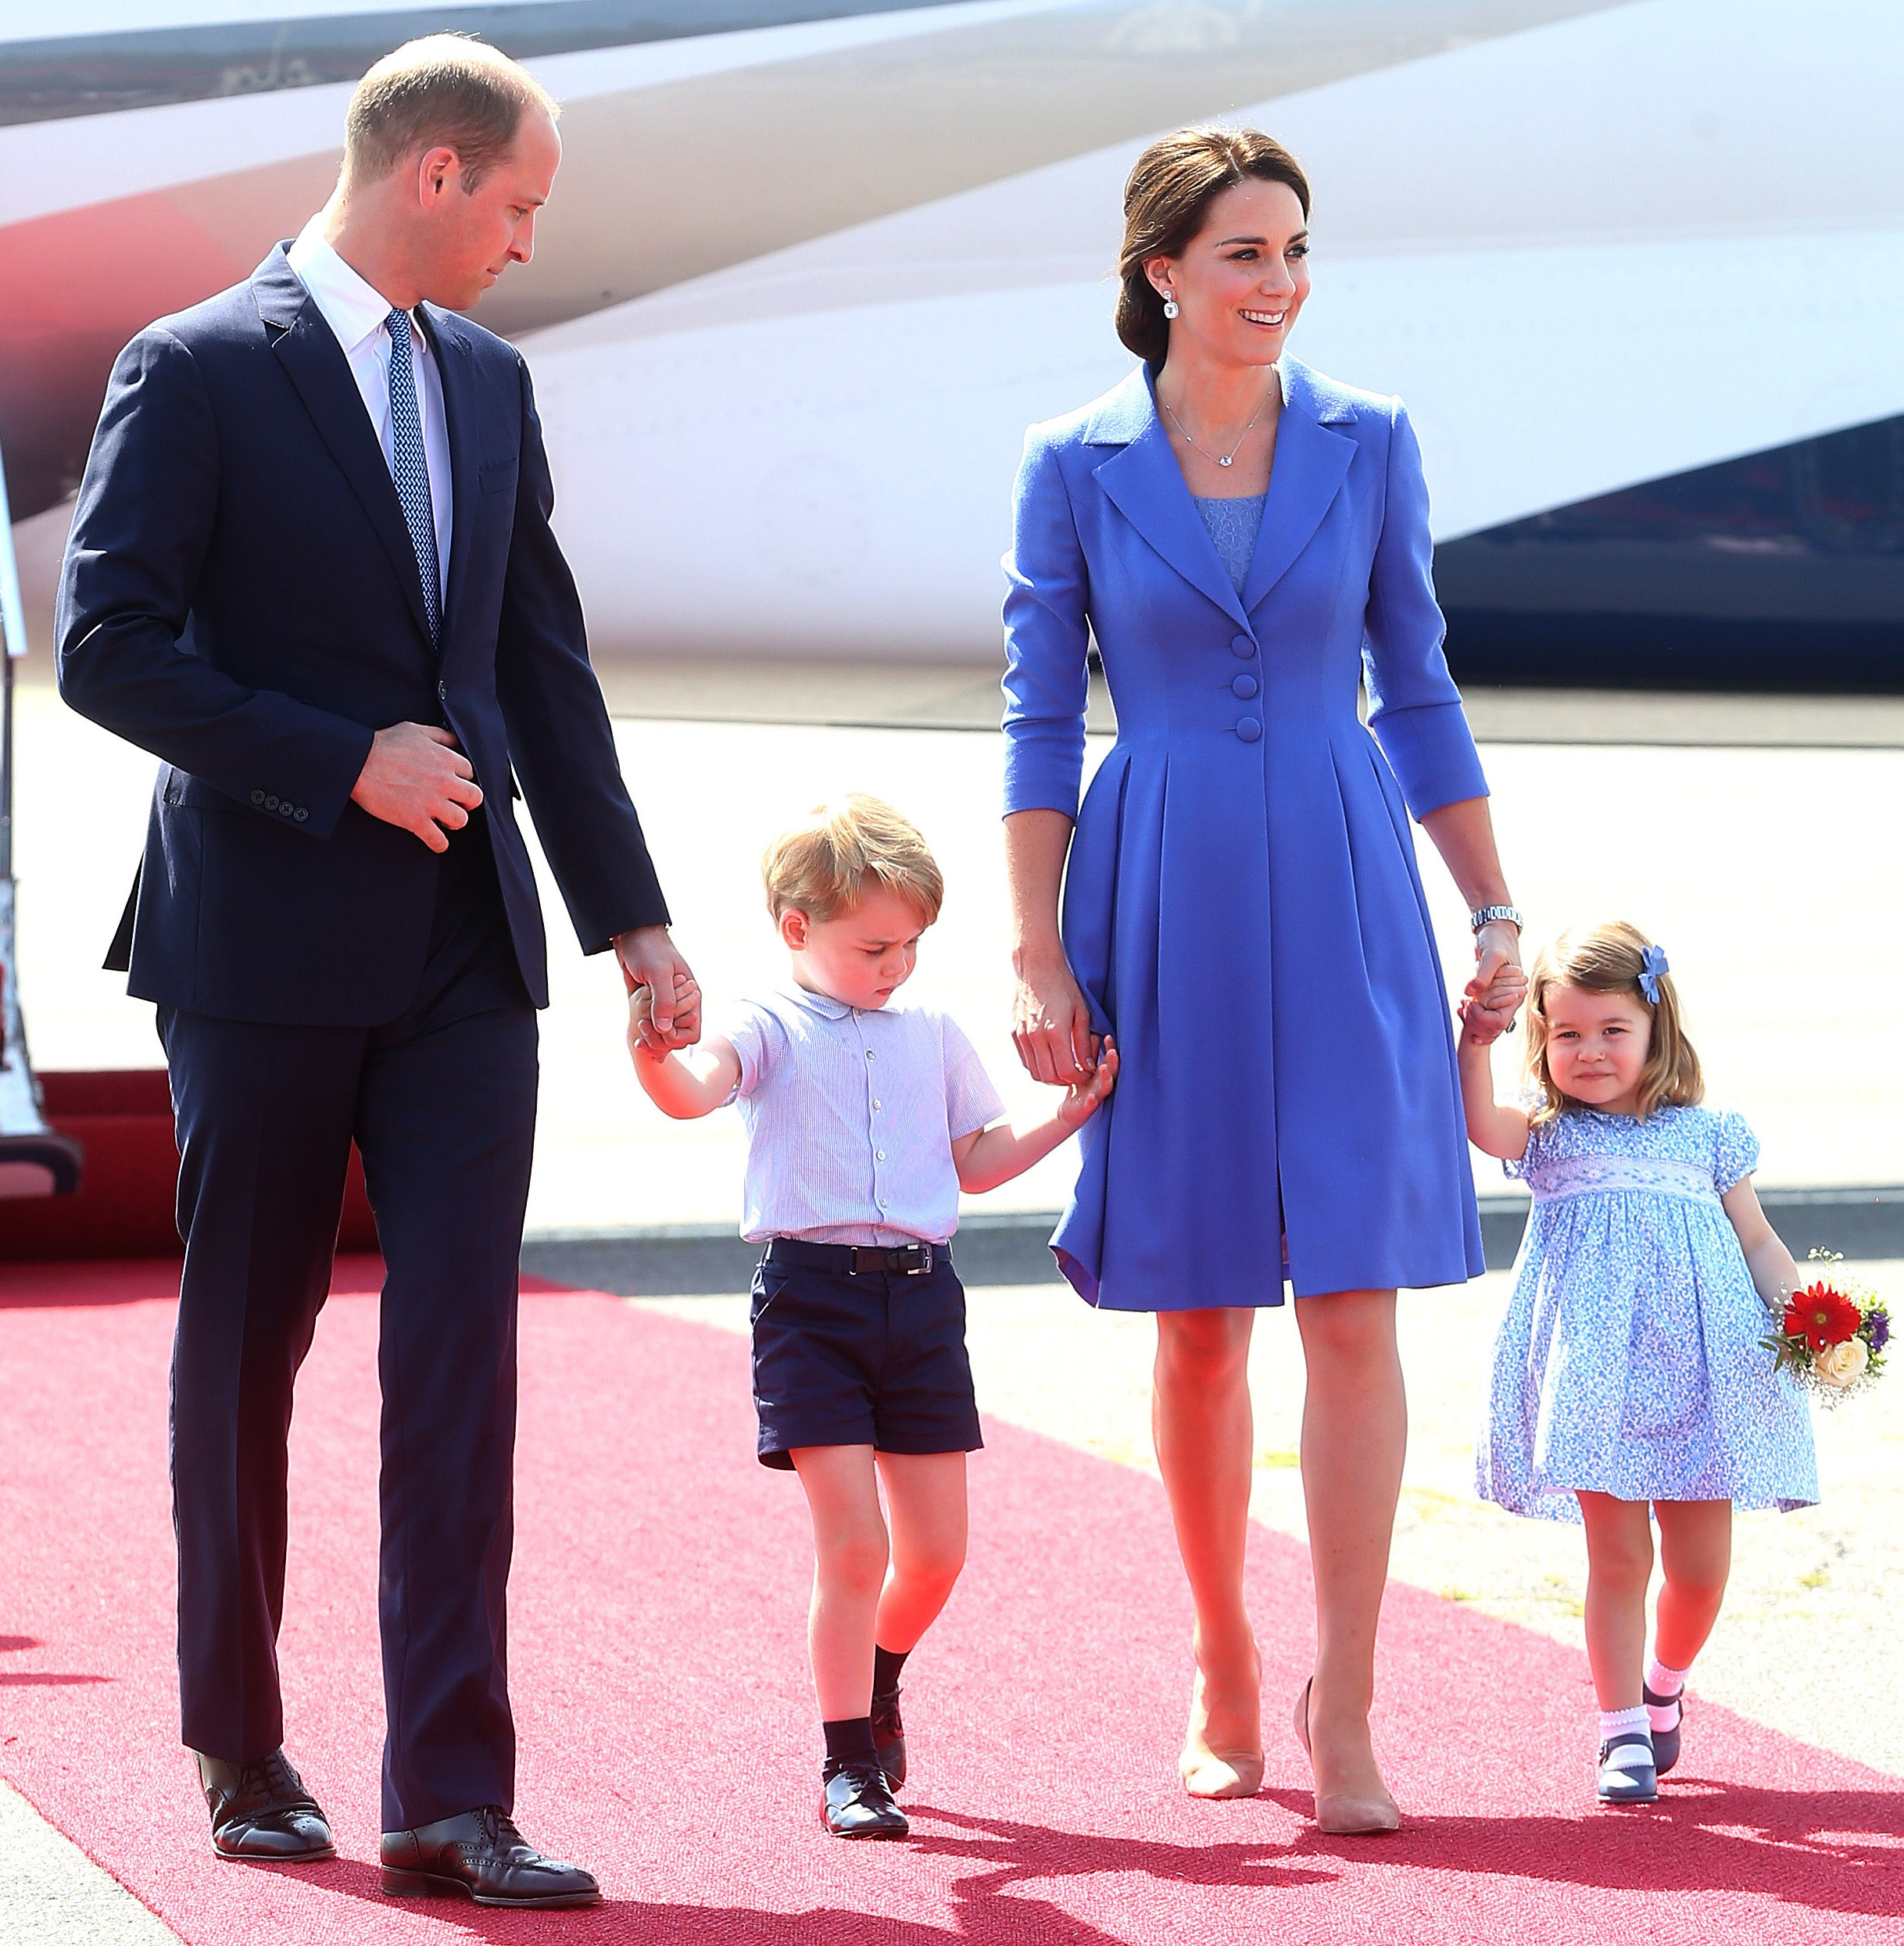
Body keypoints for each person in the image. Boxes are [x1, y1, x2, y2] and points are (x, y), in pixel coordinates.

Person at [54, 37, 696, 1906]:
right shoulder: (195, 366)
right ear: (433, 170)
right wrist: (339, 754)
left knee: (457, 1361)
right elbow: (108, 644)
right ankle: (240, 1741)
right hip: (256, 940)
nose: (521, 242)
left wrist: (632, 919)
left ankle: (448, 1787)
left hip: (466, 949)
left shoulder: (489, 383)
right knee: (246, 1347)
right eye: (515, 204)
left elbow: (538, 668)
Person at [1000, 124, 1528, 1834]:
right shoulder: (1069, 461)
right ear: (1161, 271)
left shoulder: (1369, 442)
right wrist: (1033, 942)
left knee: (1354, 1298)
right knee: (1203, 1322)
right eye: (1243, 252)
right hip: (1154, 894)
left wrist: (1494, 909)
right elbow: (1033, 717)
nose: (1279, 282)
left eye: (1295, 249)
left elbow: (1418, 683)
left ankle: (1347, 1702)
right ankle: (1224, 1662)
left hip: (1344, 873)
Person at [628, 796, 1116, 1839]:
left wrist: (1065, 1117)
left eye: (910, 946)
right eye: (874, 946)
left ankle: (881, 1673)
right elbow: (691, 1089)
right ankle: (846, 1758)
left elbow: (975, 1161)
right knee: (853, 1544)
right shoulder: (767, 1024)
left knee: (935, 1553)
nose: (895, 965)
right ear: (796, 928)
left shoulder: (932, 1034)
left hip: (922, 1300)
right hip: (809, 1302)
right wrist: (650, 1054)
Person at [1459, 921, 1817, 1805]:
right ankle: (1620, 1729)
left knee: (1699, 1571)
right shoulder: (1550, 1136)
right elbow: (1479, 1125)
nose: (1589, 1052)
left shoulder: (1710, 1137)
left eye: (1613, 1030)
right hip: (1597, 1380)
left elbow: (1761, 1241)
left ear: (1658, 1029)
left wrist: (1807, 1316)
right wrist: (1475, 1042)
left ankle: (1664, 1688)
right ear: (1543, 1041)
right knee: (1617, 1560)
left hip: (1706, 1375)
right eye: (1567, 1034)